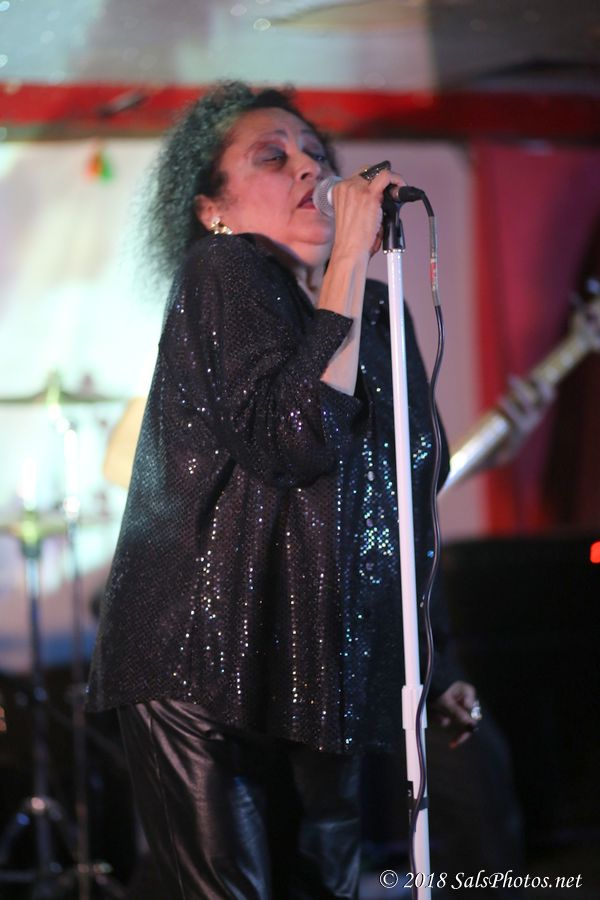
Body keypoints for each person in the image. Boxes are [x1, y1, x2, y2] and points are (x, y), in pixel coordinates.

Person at [86, 81, 479, 899]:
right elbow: (292, 436)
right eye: (273, 157)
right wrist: (349, 257)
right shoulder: (222, 271)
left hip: (321, 659)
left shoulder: (376, 312)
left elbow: (405, 502)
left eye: (315, 153)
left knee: (332, 883)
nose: (309, 168)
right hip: (198, 658)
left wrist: (434, 662)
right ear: (212, 210)